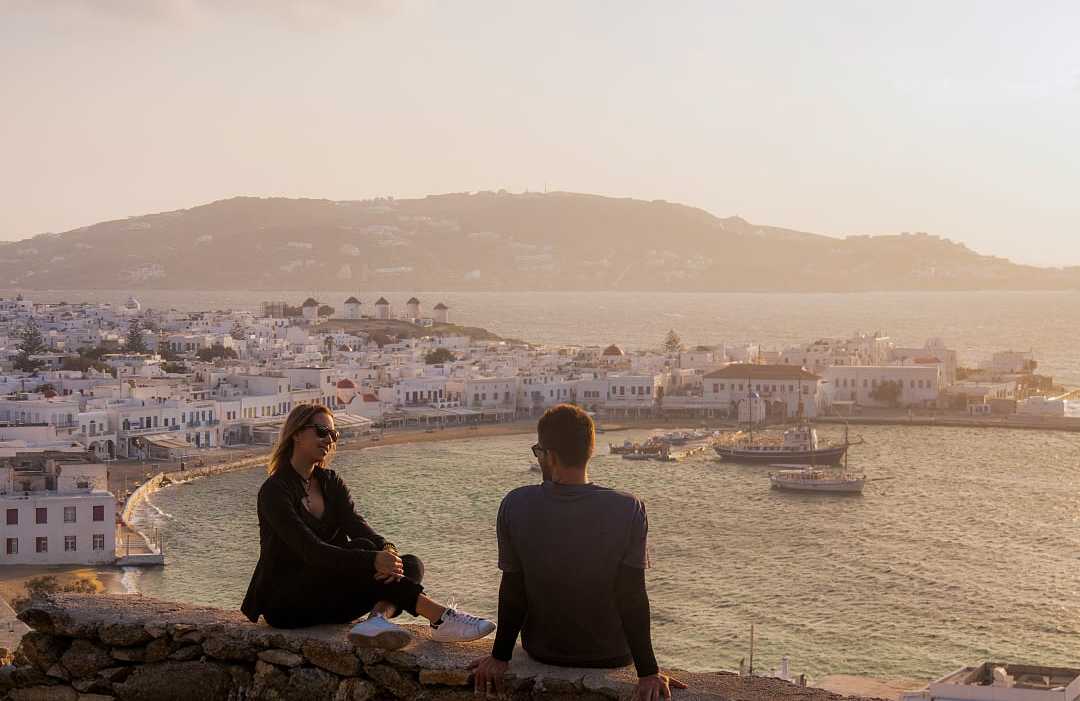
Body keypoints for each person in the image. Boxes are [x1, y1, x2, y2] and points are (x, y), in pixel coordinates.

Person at [470, 404, 686, 701]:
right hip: (611, 654)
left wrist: (499, 656)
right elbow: (632, 595)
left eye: (538, 451)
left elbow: (513, 589)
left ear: (550, 456)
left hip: (543, 651)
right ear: (590, 451)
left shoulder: (515, 504)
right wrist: (648, 671)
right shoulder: (628, 509)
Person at [241, 403, 494, 649]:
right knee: (364, 551)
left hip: (327, 595)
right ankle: (440, 617)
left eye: (333, 434)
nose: (328, 440)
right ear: (296, 433)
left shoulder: (330, 482)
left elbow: (358, 526)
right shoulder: (274, 491)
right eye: (321, 432)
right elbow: (311, 550)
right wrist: (372, 559)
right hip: (286, 602)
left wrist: (388, 551)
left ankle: (377, 620)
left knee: (409, 563)